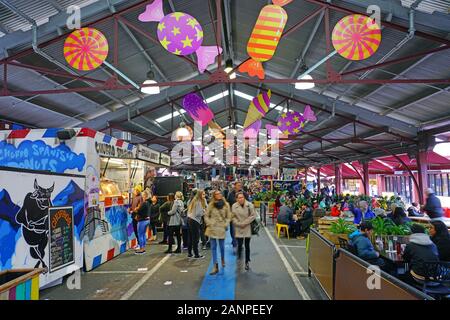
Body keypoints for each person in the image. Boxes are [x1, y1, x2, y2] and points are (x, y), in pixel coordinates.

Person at [204, 190, 232, 275]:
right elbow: (206, 215)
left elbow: (228, 216)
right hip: (212, 228)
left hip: (221, 228)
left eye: (219, 193)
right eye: (216, 194)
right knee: (213, 247)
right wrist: (209, 223)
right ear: (214, 196)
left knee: (222, 247)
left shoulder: (226, 204)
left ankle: (222, 259)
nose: (218, 195)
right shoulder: (211, 204)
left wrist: (225, 224)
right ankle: (215, 266)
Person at [231, 192, 256, 271]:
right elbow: (232, 217)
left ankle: (247, 261)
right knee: (240, 244)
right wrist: (238, 223)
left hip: (247, 227)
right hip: (239, 227)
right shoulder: (234, 206)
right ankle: (239, 257)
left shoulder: (249, 205)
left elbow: (253, 215)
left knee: (247, 245)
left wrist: (244, 223)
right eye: (239, 198)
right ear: (236, 199)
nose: (241, 199)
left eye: (242, 197)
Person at [227, 181, 248, 249]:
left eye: (240, 185)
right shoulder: (231, 194)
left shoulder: (244, 193)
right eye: (238, 185)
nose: (240, 186)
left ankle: (240, 243)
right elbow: (228, 203)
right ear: (235, 186)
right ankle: (234, 243)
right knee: (233, 230)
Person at [187, 189, 207, 259]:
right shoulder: (198, 202)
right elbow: (198, 213)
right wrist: (204, 211)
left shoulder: (193, 200)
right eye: (203, 194)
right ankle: (196, 254)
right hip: (194, 221)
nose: (204, 196)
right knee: (196, 238)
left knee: (190, 237)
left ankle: (189, 253)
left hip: (190, 219)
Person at [133, 190, 151, 254]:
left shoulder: (144, 203)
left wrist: (135, 210)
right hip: (147, 220)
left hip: (142, 220)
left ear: (145, 196)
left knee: (140, 235)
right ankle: (143, 247)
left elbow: (139, 211)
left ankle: (141, 249)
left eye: (143, 195)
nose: (142, 196)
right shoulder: (149, 203)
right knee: (143, 234)